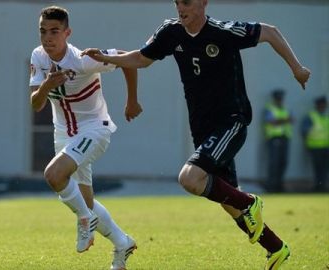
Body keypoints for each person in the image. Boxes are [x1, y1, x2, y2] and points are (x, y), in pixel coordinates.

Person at [81, 0, 310, 269]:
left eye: (187, 2)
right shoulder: (170, 32)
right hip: (201, 128)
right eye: (177, 2)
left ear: (203, 2)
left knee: (190, 178)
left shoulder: (224, 31)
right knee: (228, 200)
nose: (180, 7)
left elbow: (270, 31)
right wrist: (107, 59)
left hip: (231, 122)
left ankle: (251, 202)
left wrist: (296, 67)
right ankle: (276, 248)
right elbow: (142, 58)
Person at [29, 6, 142, 270]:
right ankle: (122, 242)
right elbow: (36, 105)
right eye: (43, 31)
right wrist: (46, 85)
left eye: (55, 31)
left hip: (94, 129)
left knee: (54, 176)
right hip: (63, 134)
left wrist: (132, 101)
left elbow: (128, 59)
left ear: (67, 33)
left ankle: (84, 220)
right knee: (86, 200)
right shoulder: (37, 56)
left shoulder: (82, 59)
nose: (48, 38)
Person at [263, 89, 294, 193]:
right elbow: (271, 122)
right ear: (274, 99)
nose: (280, 100)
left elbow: (292, 120)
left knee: (283, 162)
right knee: (274, 163)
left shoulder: (286, 108)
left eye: (281, 98)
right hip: (274, 138)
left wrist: (281, 121)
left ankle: (279, 185)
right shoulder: (269, 108)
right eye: (278, 98)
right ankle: (271, 186)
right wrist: (285, 120)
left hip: (285, 138)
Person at [301, 95, 329, 192]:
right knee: (318, 168)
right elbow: (304, 132)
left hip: (325, 147)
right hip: (315, 147)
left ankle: (323, 186)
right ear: (317, 105)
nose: (323, 107)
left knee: (324, 169)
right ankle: (318, 186)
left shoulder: (325, 117)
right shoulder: (311, 116)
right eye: (321, 105)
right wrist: (306, 144)